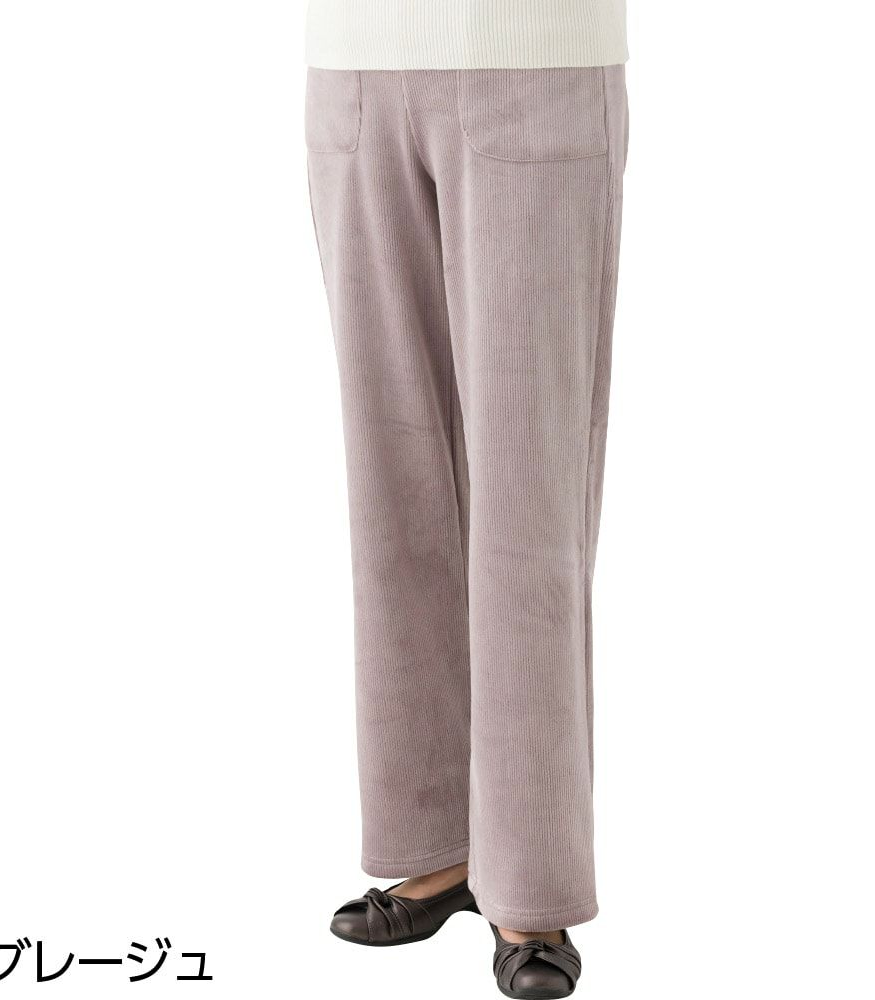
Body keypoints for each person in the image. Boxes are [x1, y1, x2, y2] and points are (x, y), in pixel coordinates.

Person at [305, 2, 628, 996]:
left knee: (528, 499)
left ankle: (528, 883)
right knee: (390, 496)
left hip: (531, 55)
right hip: (353, 63)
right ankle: (435, 841)